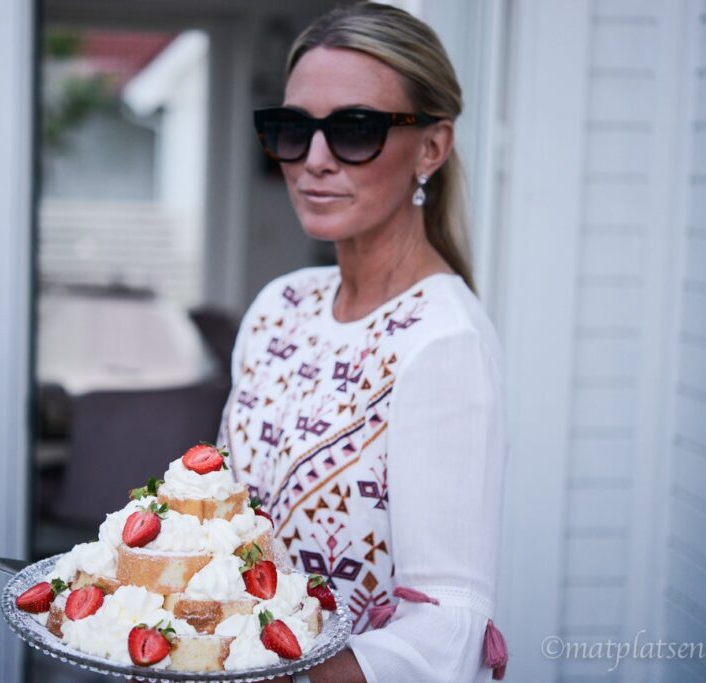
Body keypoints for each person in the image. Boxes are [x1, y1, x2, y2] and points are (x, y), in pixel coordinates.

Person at [220, 4, 509, 682]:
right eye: (294, 129)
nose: (313, 161)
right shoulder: (278, 307)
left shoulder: (443, 342)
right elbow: (226, 529)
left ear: (431, 148)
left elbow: (448, 627)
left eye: (354, 129)